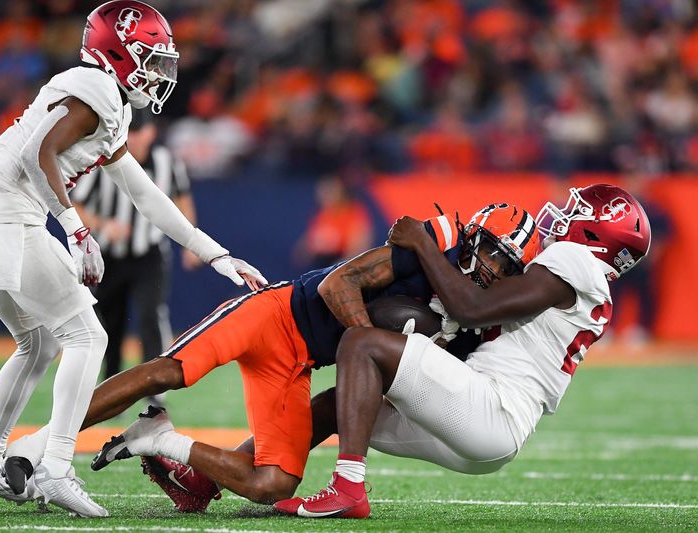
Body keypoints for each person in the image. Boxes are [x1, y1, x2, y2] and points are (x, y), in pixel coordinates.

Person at [7, 203, 539, 511]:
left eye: (506, 265)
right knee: (171, 370)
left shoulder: (476, 318)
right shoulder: (429, 249)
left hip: (298, 362)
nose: (494, 268)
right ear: (474, 239)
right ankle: (36, 446)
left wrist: (379, 361)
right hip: (277, 313)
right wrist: (369, 350)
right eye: (492, 251)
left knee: (275, 485)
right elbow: (338, 285)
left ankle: (157, 438)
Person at [0, 1, 264, 518]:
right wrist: (77, 230)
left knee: (40, 341)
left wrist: (216, 254)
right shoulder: (94, 86)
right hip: (2, 215)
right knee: (88, 335)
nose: (160, 72)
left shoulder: (110, 104)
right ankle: (54, 468)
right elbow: (35, 154)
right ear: (117, 51)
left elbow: (147, 197)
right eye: (151, 58)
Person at [274, 184, 651, 519]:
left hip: (491, 407)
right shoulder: (587, 284)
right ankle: (242, 469)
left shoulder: (575, 260)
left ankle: (348, 487)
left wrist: (423, 242)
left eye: (577, 212)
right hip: (489, 427)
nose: (563, 215)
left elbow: (470, 308)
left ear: (596, 232)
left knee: (362, 344)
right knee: (343, 402)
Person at [71, 111, 201, 383]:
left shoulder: (167, 163)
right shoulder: (104, 159)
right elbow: (76, 205)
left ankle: (155, 386)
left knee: (150, 315)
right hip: (110, 256)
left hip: (149, 255)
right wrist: (104, 224)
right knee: (109, 321)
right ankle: (110, 383)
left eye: (139, 132)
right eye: (129, 132)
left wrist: (192, 243)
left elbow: (182, 200)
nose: (134, 139)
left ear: (151, 133)